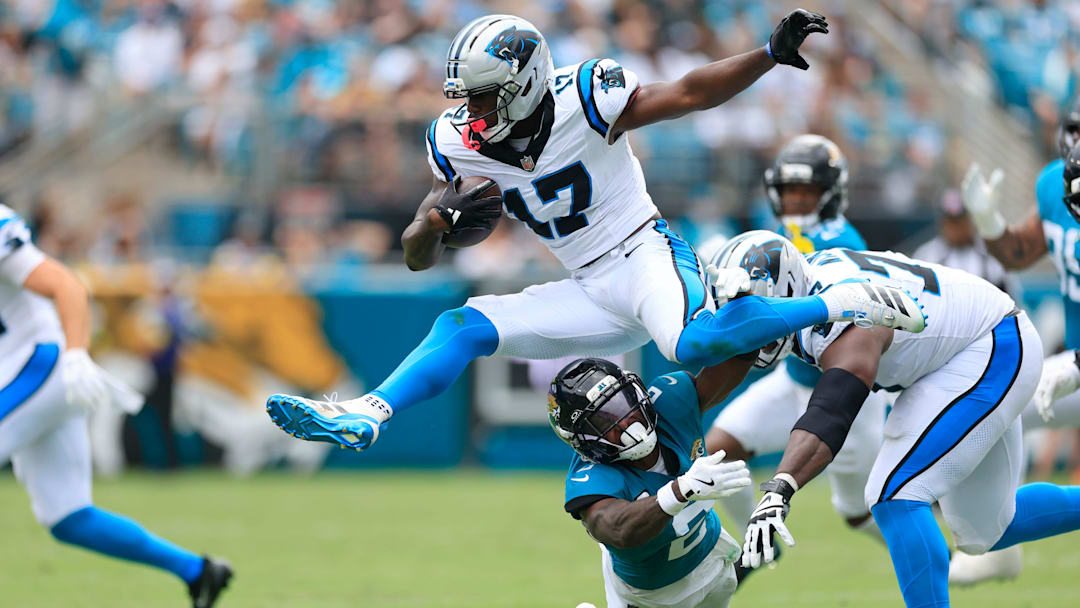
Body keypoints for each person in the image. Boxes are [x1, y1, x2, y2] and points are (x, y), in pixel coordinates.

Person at [264, 12, 926, 451]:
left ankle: (840, 303)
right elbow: (417, 256)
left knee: (692, 345)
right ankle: (368, 413)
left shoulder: (585, 96)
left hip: (643, 256)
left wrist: (768, 55)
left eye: (485, 96)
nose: (471, 110)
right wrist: (435, 221)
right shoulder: (455, 143)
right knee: (460, 325)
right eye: (465, 96)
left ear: (525, 84)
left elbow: (689, 92)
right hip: (585, 284)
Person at [717, 231, 1080, 608]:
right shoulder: (806, 287)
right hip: (960, 355)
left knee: (894, 494)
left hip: (989, 344)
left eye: (753, 313)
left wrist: (780, 487)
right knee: (985, 529)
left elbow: (832, 410)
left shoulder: (843, 314)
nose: (747, 327)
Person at [0, 205, 232, 607]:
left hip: (39, 366)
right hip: (25, 375)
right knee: (69, 518)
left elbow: (67, 284)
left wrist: (76, 353)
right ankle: (199, 572)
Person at [705, 135, 890, 547]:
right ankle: (755, 545)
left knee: (858, 511)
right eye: (789, 191)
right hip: (794, 380)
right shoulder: (784, 231)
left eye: (807, 191)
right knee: (719, 453)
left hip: (844, 395)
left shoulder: (842, 242)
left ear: (829, 194)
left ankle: (943, 558)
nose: (796, 201)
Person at [957, 102, 1080, 582]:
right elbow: (1019, 252)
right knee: (986, 405)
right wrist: (990, 223)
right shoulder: (1055, 184)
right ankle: (997, 539)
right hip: (1073, 364)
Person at [550, 356, 755, 608]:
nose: (627, 420)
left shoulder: (670, 403)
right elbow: (616, 529)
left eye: (623, 402)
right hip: (653, 595)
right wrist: (679, 491)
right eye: (604, 420)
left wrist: (767, 335)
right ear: (585, 440)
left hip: (712, 554)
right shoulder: (594, 476)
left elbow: (738, 360)